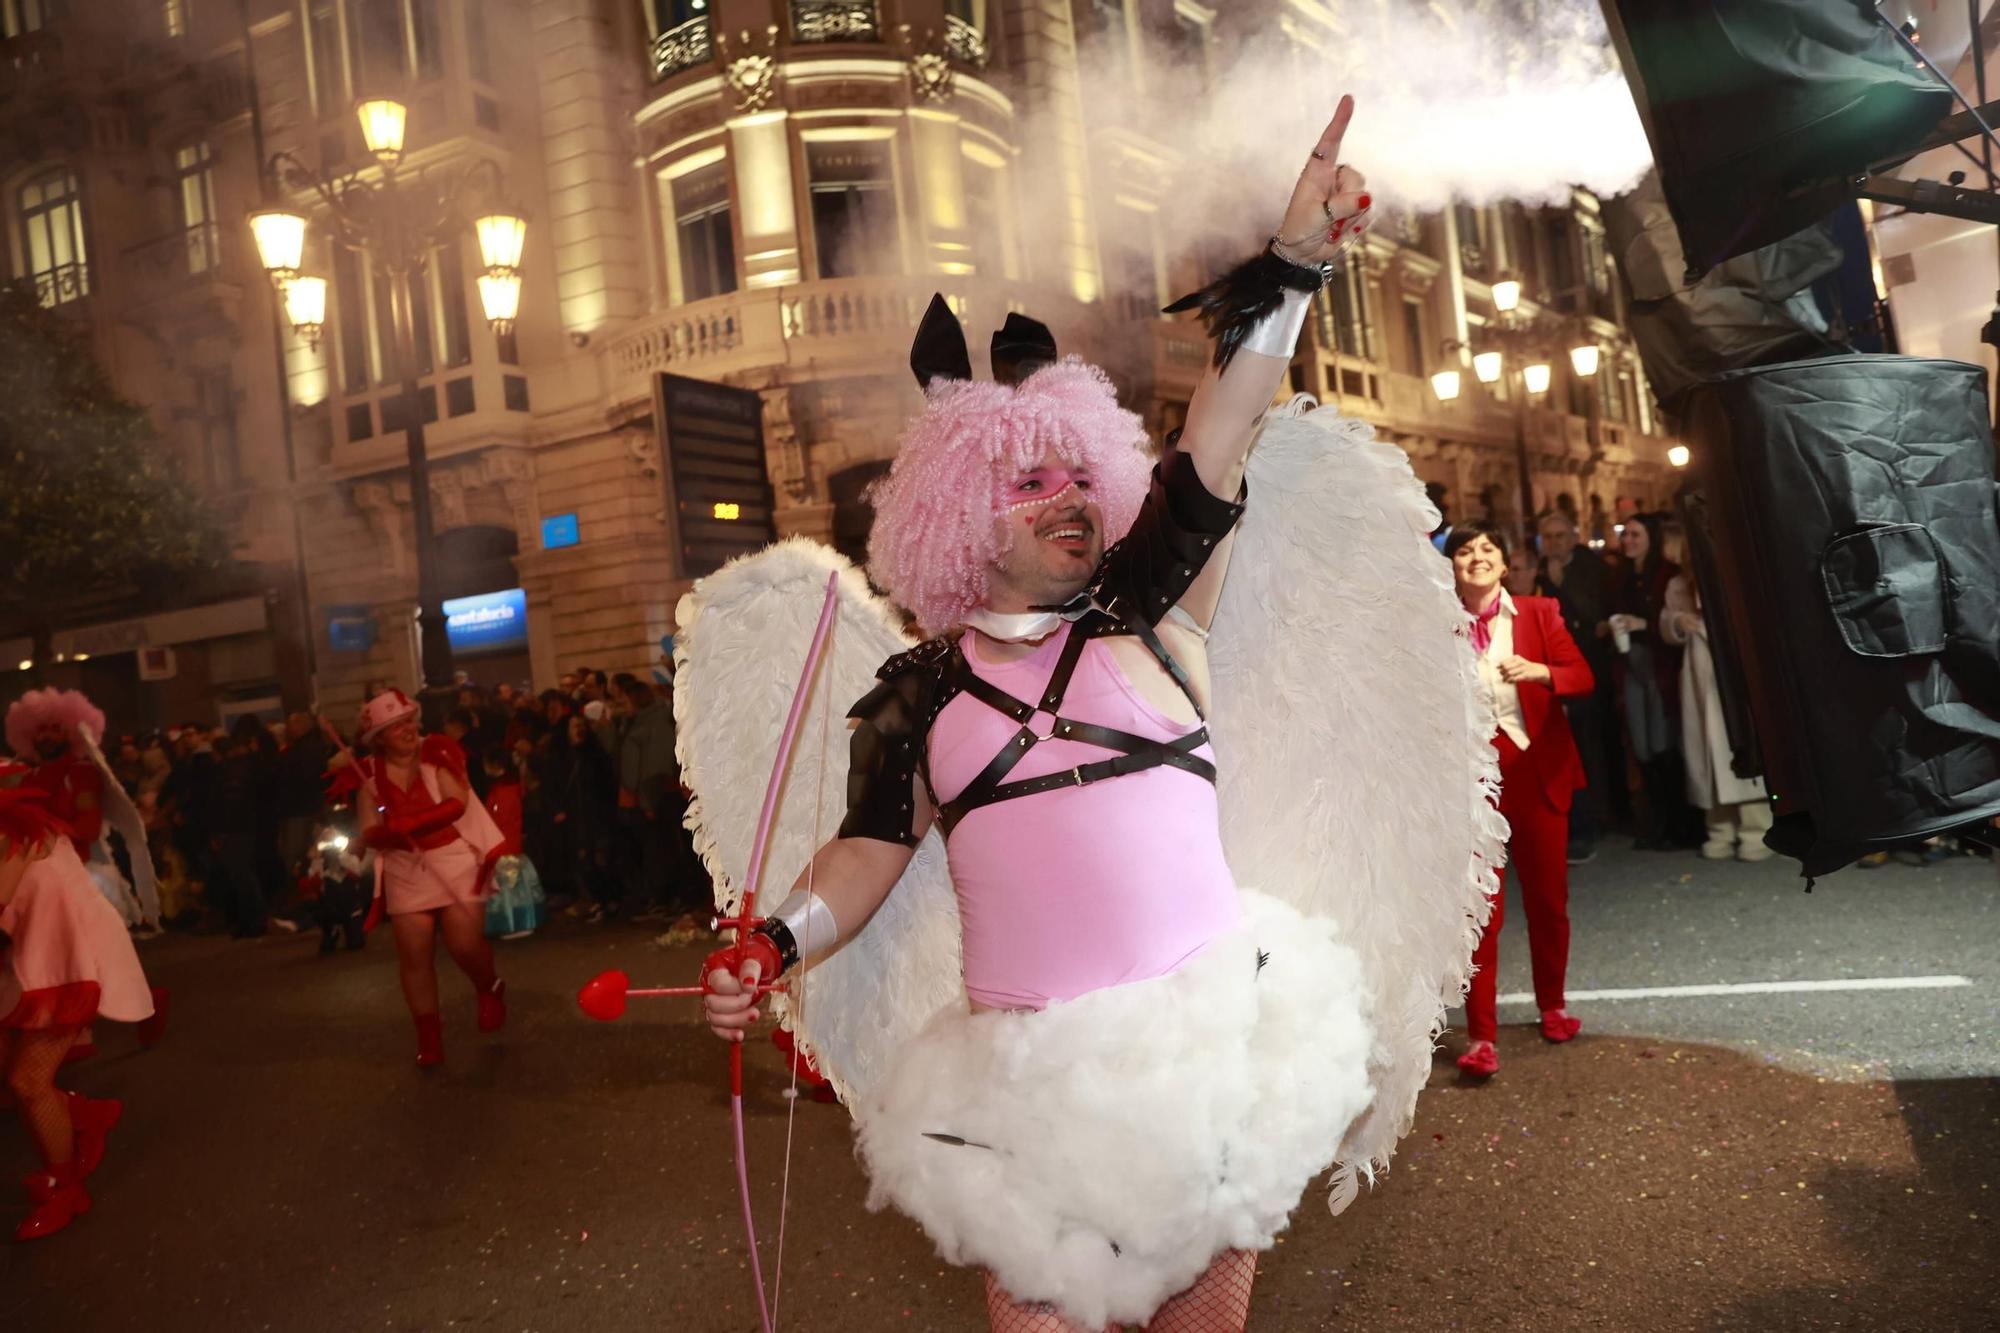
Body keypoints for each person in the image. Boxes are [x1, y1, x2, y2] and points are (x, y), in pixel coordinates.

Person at [702, 101, 1420, 1332]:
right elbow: (870, 854)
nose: (1067, 501)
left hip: (1209, 1067)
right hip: (1030, 1102)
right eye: (1027, 484)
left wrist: (1293, 261)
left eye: (1078, 476)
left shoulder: (1157, 614)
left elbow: (1223, 425)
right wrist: (770, 941)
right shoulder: (915, 694)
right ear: (957, 514)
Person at [1446, 524, 1595, 1078]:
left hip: (1537, 774)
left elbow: (1583, 676)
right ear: (1453, 568)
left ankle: (1552, 1006)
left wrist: (1543, 672)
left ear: (1505, 565)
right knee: (1481, 914)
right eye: (1465, 551)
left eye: (1487, 549)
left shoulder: (1538, 613)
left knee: (1548, 904)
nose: (1477, 557)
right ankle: (1482, 1036)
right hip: (1475, 784)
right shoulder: (1440, 626)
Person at [0, 763, 154, 1240]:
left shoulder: (10, 820)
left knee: (28, 1081)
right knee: (16, 1078)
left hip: (69, 959)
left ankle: (66, 1189)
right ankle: (84, 1114)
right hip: (34, 954)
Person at [335, 690, 507, 1068]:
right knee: (415, 957)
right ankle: (428, 1037)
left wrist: (412, 822)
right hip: (405, 870)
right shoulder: (369, 779)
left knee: (464, 944)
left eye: (408, 721)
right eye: (394, 727)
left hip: (453, 860)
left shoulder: (437, 754)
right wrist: (381, 835)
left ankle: (488, 987)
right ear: (378, 738)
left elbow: (456, 802)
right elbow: (367, 828)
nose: (406, 730)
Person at [4, 689, 160, 933]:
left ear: (71, 733)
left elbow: (88, 828)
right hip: (34, 873)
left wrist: (46, 833)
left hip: (76, 870)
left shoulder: (81, 773)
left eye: (55, 729)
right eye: (40, 730)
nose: (46, 736)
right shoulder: (29, 779)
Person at [1659, 569, 1773, 861]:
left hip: (1732, 672)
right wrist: (1677, 621)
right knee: (1707, 755)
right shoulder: (1679, 584)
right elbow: (1666, 622)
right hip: (1699, 674)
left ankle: (1756, 829)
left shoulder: (1736, 574)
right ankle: (1720, 829)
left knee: (1738, 745)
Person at [1604, 513, 1699, 850]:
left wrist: (1641, 623)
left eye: (1635, 534)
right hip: (1631, 666)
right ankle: (1657, 823)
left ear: (1651, 538)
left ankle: (1679, 824)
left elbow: (1671, 625)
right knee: (1643, 748)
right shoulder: (1621, 577)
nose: (1628, 540)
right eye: (1625, 534)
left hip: (1658, 667)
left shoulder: (1667, 575)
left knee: (1663, 745)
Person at [1535, 510, 1624, 861]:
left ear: (1573, 537)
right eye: (1549, 537)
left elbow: (1593, 616)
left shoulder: (1591, 570)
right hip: (1555, 669)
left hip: (1591, 665)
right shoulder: (1539, 571)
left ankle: (1606, 812)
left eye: (1560, 536)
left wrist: (1561, 584)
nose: (1554, 543)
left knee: (1596, 740)